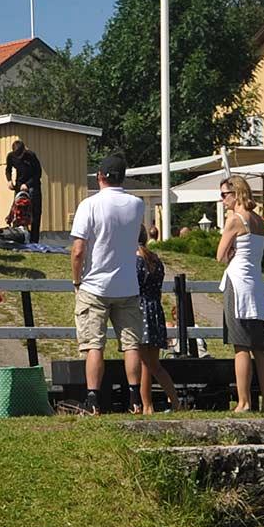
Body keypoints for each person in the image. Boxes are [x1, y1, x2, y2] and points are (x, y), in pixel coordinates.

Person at [69, 157, 155, 415]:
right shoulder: (136, 205)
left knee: (94, 344)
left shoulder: (89, 205)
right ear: (122, 177)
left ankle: (94, 399)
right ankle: (135, 399)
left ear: (99, 176)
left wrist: (77, 280)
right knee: (131, 344)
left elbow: (78, 250)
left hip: (95, 285)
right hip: (127, 284)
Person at [216, 175, 264, 414]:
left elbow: (220, 255)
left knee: (241, 347)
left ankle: (244, 401)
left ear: (236, 193)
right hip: (256, 285)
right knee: (260, 348)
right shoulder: (258, 220)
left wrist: (229, 250)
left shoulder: (235, 220)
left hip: (237, 284)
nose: (222, 200)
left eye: (224, 195)